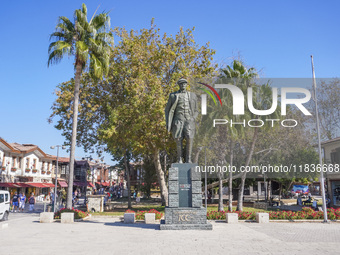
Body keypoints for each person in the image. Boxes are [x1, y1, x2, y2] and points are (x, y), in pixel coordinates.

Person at [164, 78, 199, 163]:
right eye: (181, 84)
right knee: (178, 139)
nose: (183, 85)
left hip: (189, 120)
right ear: (179, 85)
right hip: (178, 120)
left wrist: (193, 118)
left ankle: (188, 159)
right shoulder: (173, 95)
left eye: (184, 84)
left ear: (187, 85)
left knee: (189, 138)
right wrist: (168, 123)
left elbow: (196, 111)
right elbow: (167, 110)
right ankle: (179, 159)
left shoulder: (192, 95)